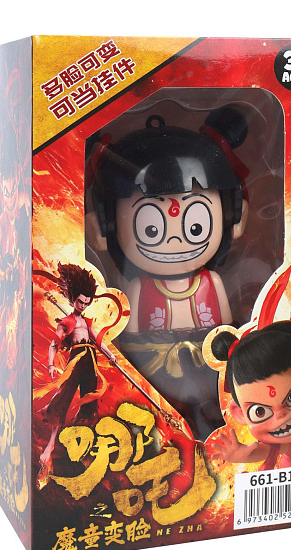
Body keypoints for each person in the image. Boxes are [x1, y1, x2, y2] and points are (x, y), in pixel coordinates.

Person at [87, 105, 250, 441]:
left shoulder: (211, 283)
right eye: (152, 228)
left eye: (194, 225)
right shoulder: (138, 289)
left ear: (234, 218)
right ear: (102, 228)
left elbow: (228, 333)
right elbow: (129, 344)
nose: (175, 239)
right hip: (154, 374)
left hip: (211, 370)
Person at [209, 298, 291, 468]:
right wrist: (239, 455)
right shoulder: (289, 444)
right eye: (260, 412)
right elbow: (263, 451)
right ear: (239, 413)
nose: (281, 414)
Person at [36, 264, 117, 476]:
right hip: (77, 359)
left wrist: (110, 354)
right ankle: (50, 446)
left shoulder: (87, 322)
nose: (83, 305)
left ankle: (85, 450)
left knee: (90, 402)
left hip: (90, 360)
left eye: (86, 302)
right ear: (73, 300)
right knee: (63, 398)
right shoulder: (66, 321)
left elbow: (97, 340)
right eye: (80, 302)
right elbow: (54, 344)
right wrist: (51, 364)